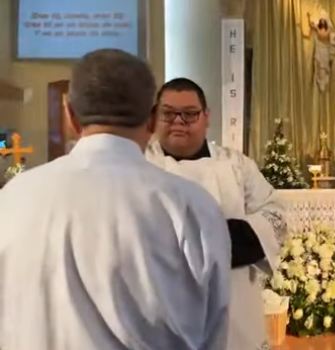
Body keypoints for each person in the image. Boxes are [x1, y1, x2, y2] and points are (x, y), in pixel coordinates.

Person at [0, 49, 231, 350]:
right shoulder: (191, 206)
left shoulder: (13, 198)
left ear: (71, 115)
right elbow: (213, 333)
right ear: (151, 119)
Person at [145, 78, 286, 350]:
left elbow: (274, 213)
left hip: (235, 304)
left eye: (189, 114)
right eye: (168, 113)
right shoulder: (140, 165)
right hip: (165, 305)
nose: (178, 121)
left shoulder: (236, 165)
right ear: (154, 117)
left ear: (206, 117)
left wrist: (225, 240)